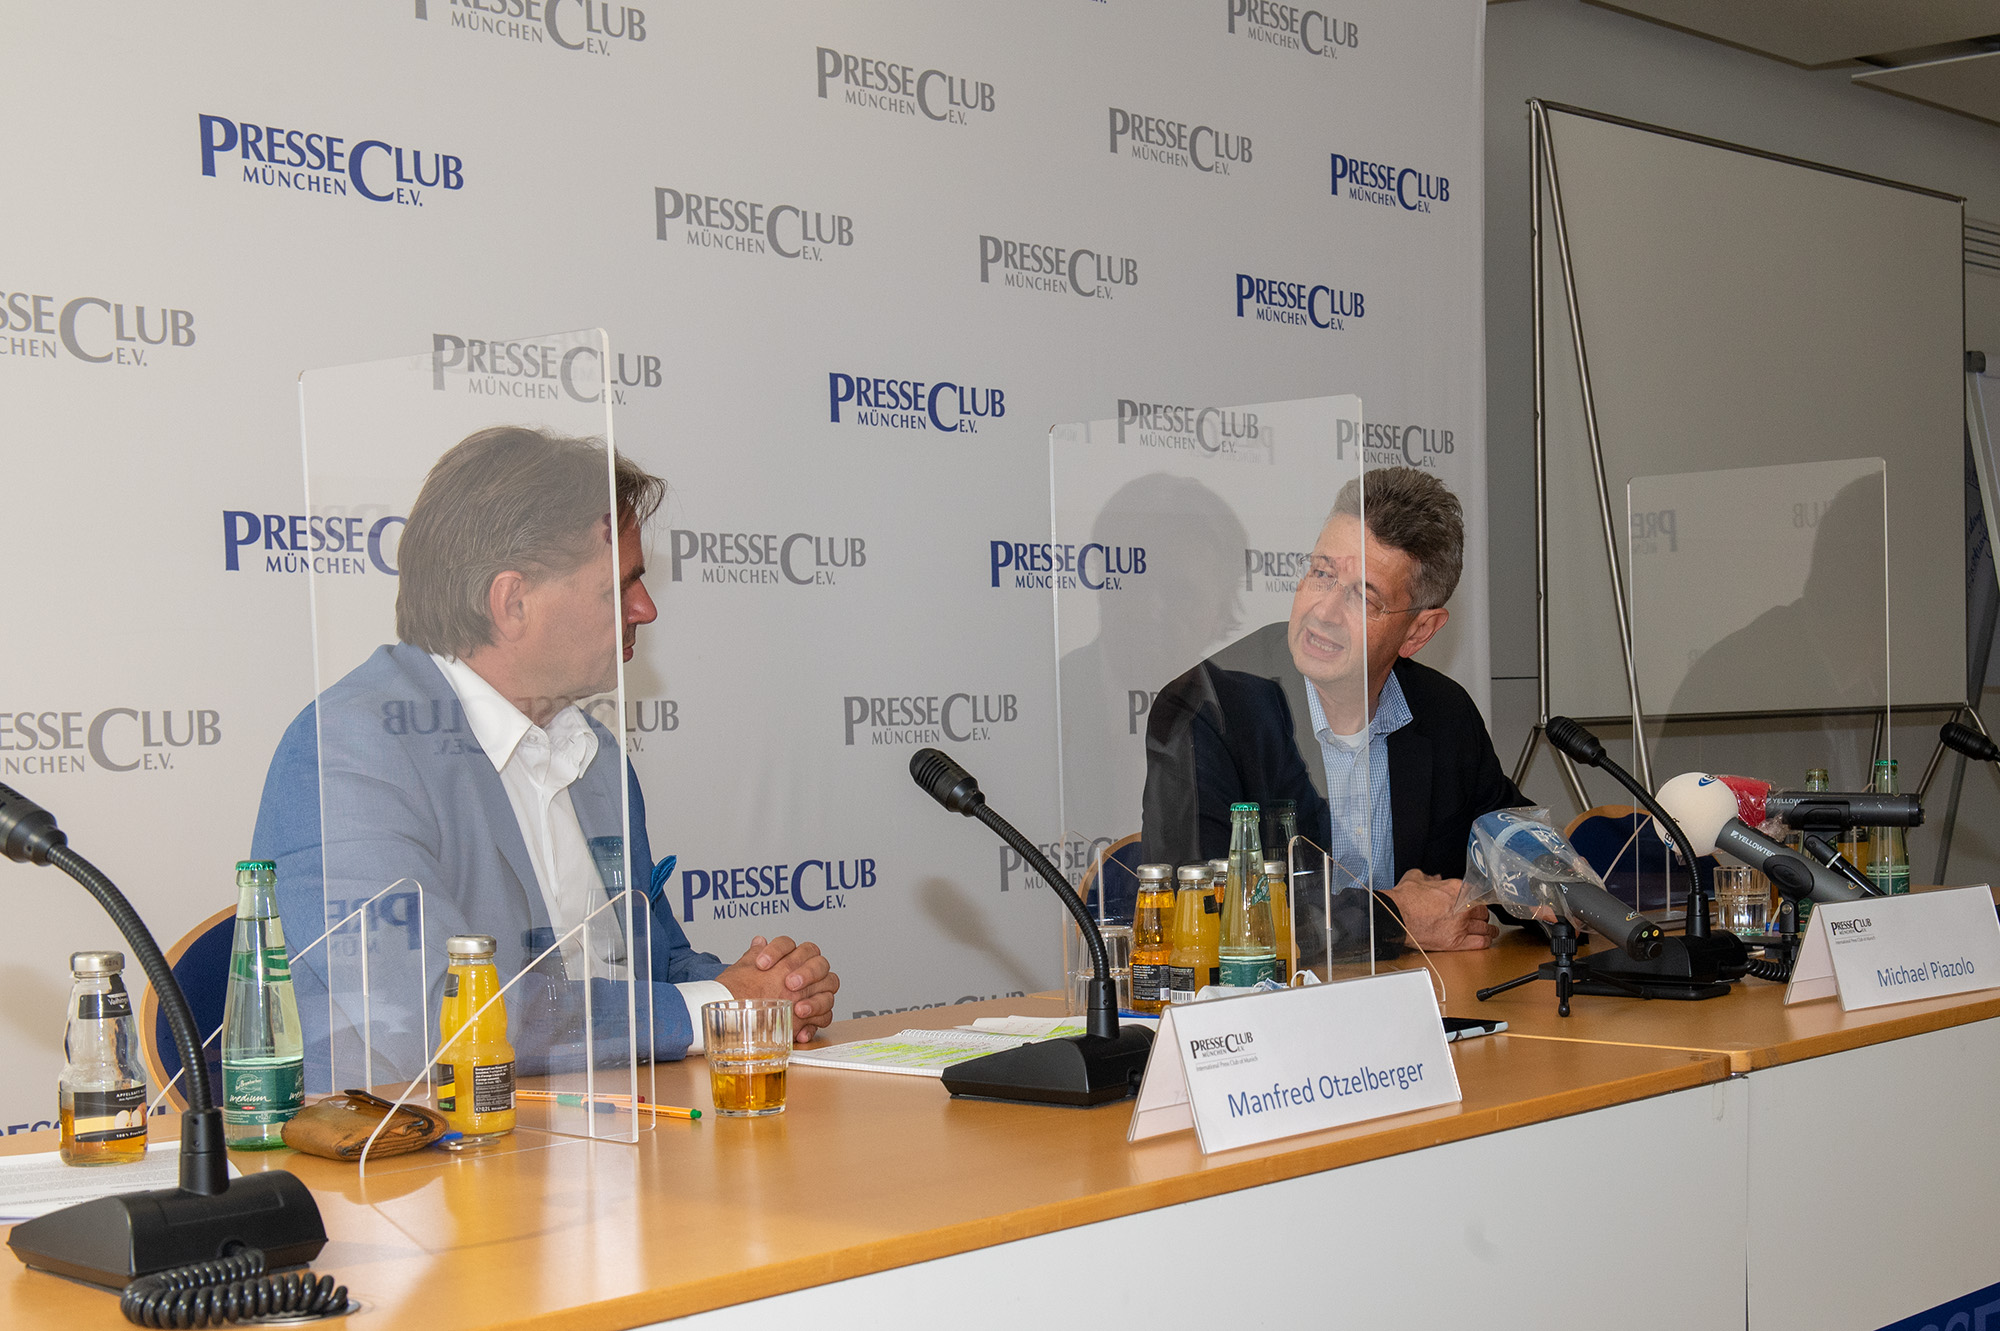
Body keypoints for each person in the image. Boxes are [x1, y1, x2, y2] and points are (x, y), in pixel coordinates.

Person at [252, 427, 838, 1088]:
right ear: (513, 603)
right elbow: (437, 1016)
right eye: (619, 587)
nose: (645, 608)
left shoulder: (595, 756)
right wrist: (717, 1007)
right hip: (410, 1144)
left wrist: (770, 990)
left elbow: (652, 965)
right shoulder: (350, 750)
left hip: (596, 1130)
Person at [1142, 467, 1520, 954]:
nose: (1322, 612)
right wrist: (1393, 918)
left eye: (1364, 596)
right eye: (1322, 574)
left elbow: (1507, 844)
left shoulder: (1443, 713)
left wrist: (1553, 883)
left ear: (1418, 632)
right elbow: (1200, 922)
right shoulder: (1206, 710)